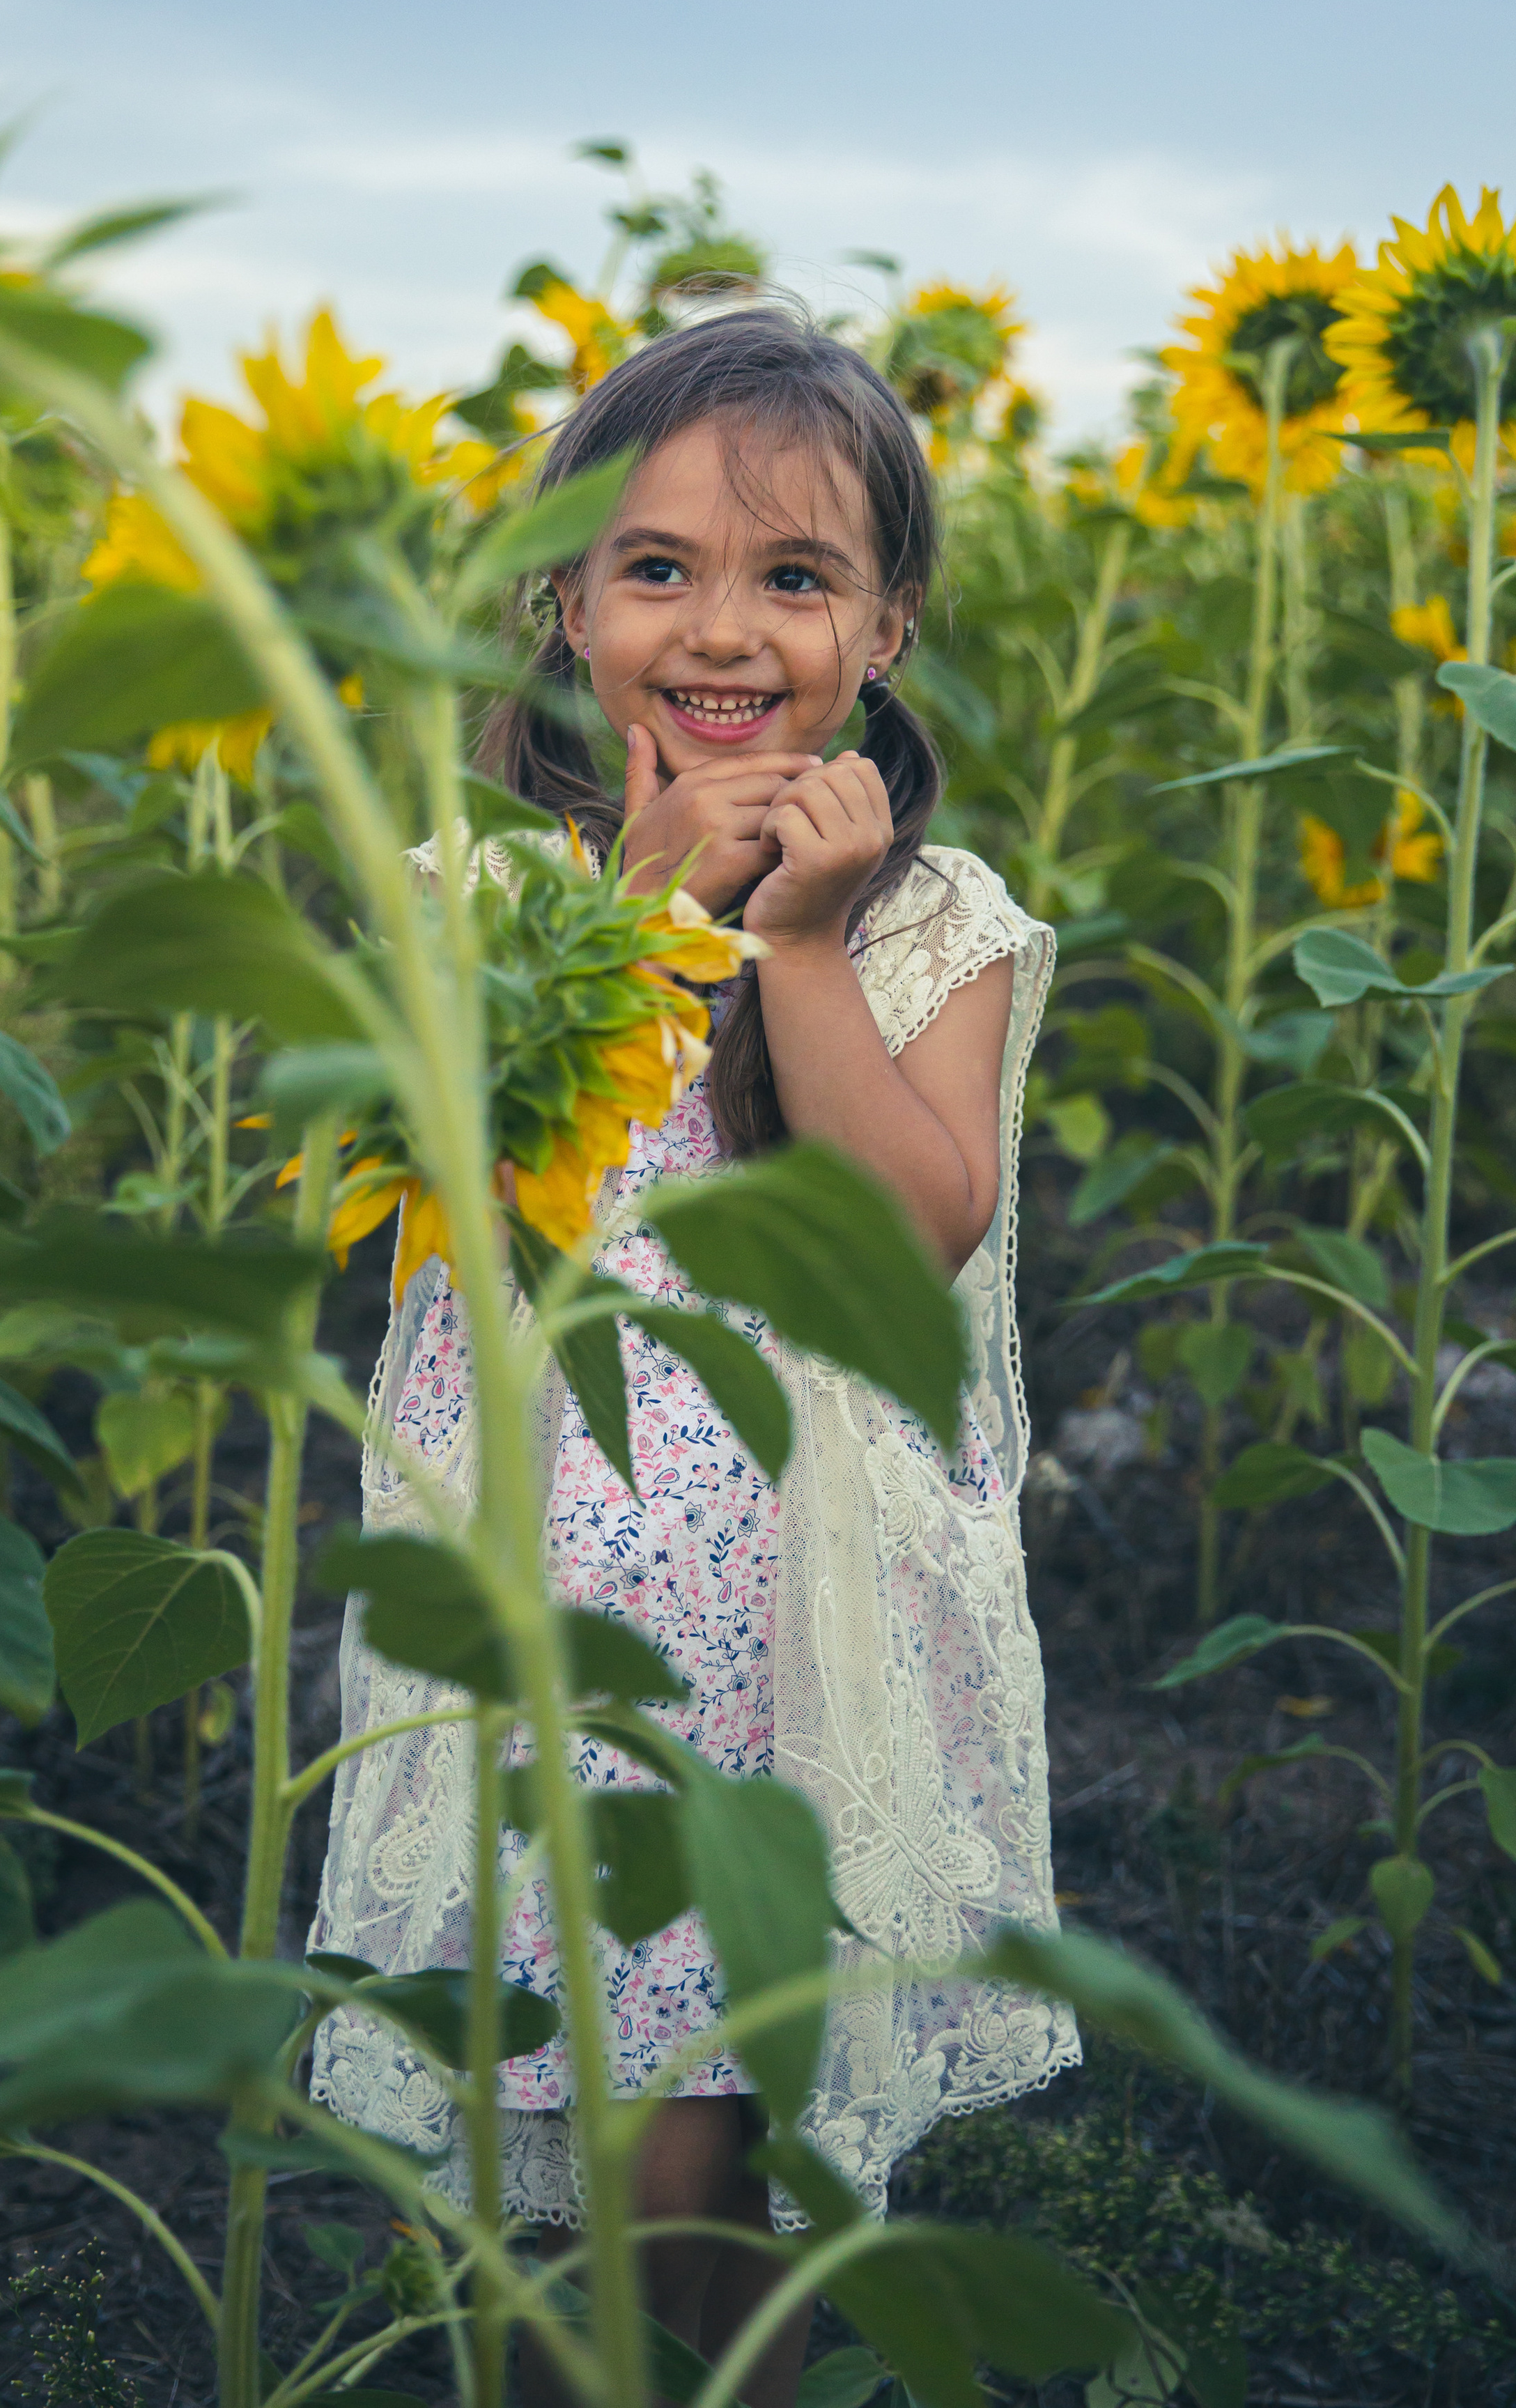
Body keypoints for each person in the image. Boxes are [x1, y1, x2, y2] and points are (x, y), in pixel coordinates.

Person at [309, 307, 1078, 2406]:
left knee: (709, 2150)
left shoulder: (931, 925)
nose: (723, 628)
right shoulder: (484, 890)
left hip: (784, 1649)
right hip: (522, 1624)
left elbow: (910, 1241)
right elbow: (441, 1202)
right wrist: (630, 925)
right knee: (507, 2136)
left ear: (885, 632)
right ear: (566, 606)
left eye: (796, 576)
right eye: (658, 567)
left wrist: (794, 943)